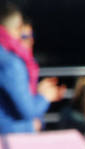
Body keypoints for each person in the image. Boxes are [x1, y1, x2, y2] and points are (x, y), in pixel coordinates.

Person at [0, 3, 61, 133]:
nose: (30, 41)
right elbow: (28, 111)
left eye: (31, 36)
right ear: (16, 29)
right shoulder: (11, 64)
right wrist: (45, 97)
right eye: (24, 35)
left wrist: (36, 94)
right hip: (11, 140)